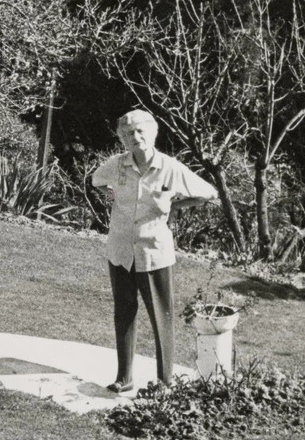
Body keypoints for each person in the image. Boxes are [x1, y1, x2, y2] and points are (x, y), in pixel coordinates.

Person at [89, 109, 216, 392]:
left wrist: (174, 206)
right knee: (123, 313)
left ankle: (164, 382)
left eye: (140, 131)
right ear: (123, 139)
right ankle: (124, 378)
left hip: (154, 252)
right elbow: (96, 180)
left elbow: (208, 193)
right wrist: (114, 196)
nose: (135, 137)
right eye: (128, 133)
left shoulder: (170, 168)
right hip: (120, 251)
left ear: (153, 133)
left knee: (161, 317)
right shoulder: (117, 165)